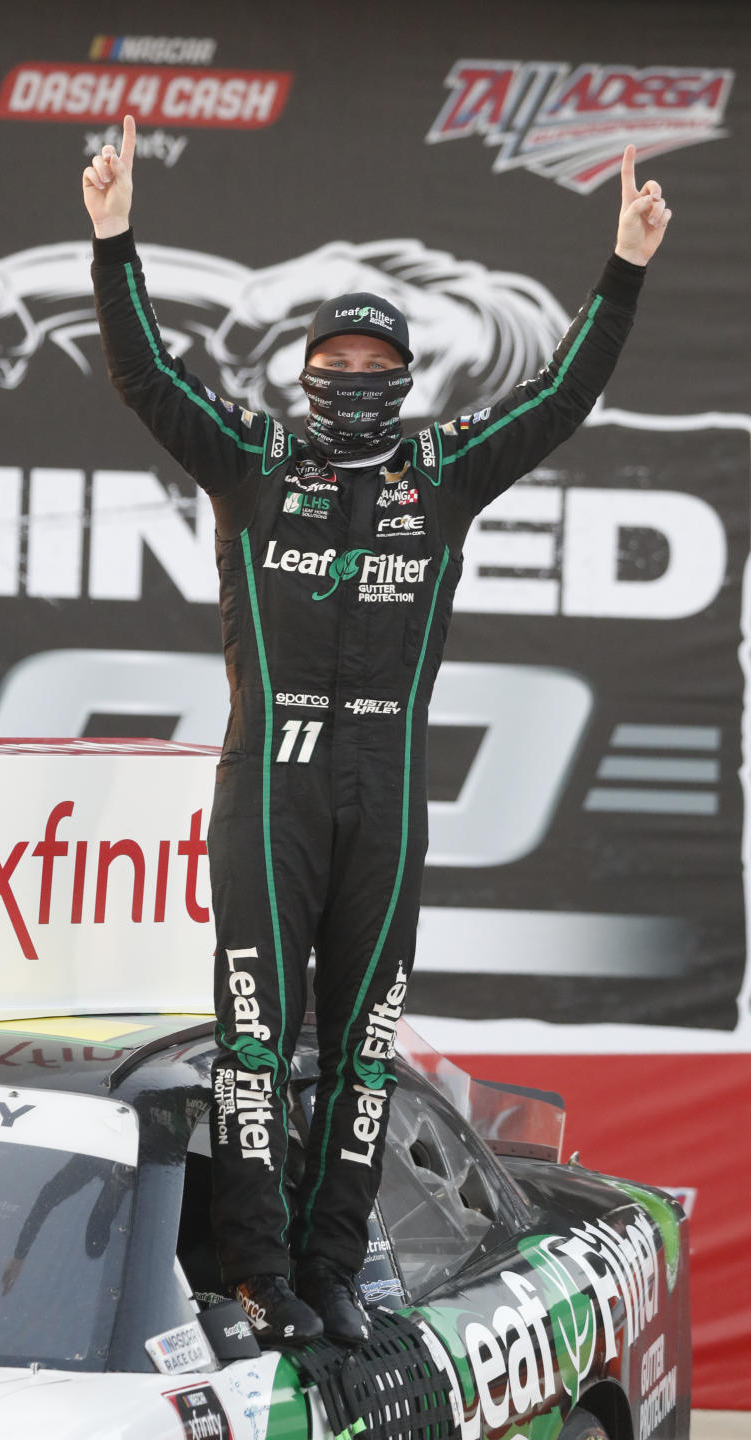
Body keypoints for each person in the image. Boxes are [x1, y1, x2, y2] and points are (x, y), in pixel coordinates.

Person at [83, 118, 671, 1347]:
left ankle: (334, 1267)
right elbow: (145, 378)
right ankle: (256, 1274)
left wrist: (622, 267)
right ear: (306, 371)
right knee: (253, 1038)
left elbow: (563, 396)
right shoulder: (250, 457)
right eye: (334, 355)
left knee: (362, 1046)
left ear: (402, 376)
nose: (352, 371)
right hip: (269, 787)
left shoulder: (445, 472)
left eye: (373, 356)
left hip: (387, 787)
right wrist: (113, 240)